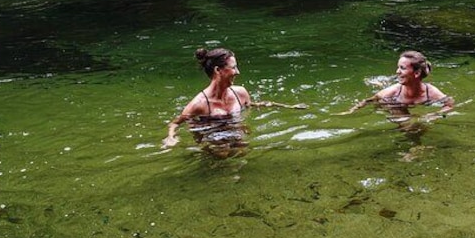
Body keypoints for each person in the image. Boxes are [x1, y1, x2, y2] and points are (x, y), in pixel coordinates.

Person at [163, 47, 305, 151]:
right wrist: (170, 137)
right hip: (211, 134)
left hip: (233, 128)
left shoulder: (240, 93)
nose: (238, 72)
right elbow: (175, 123)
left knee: (243, 149)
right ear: (218, 70)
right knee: (222, 153)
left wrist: (288, 107)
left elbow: (251, 105)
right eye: (234, 67)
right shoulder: (199, 104)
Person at [339, 50, 455, 121]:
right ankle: (416, 146)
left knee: (413, 124)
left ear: (417, 73)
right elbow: (369, 101)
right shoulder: (393, 91)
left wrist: (435, 114)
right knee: (406, 122)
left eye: (402, 68)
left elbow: (449, 104)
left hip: (411, 102)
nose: (397, 71)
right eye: (398, 67)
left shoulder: (431, 92)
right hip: (395, 103)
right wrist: (351, 111)